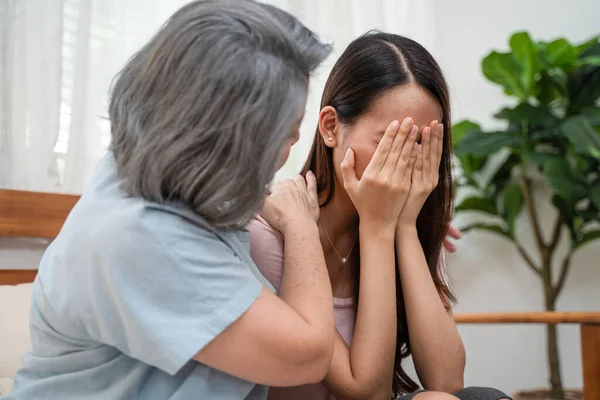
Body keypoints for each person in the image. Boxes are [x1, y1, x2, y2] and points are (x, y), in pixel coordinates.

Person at [8, 1, 338, 399]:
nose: (295, 143)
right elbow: (309, 354)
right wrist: (302, 224)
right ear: (225, 143)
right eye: (287, 132)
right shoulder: (142, 237)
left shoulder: (141, 174)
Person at [249, 32, 511, 400]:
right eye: (391, 141)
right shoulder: (268, 234)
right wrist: (378, 226)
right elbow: (365, 392)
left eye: (421, 144)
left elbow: (448, 381)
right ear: (330, 128)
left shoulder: (411, 223)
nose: (405, 162)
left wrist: (403, 227)